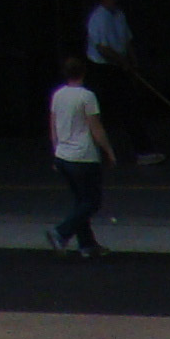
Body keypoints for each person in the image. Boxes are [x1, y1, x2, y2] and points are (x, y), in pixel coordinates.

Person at [81, 0, 167, 167]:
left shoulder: (119, 15)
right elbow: (102, 48)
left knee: (130, 107)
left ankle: (143, 151)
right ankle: (86, 152)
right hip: (101, 69)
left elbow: (127, 40)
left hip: (119, 67)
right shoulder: (98, 18)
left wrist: (132, 62)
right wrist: (122, 61)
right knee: (96, 111)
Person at [45, 55, 114, 258]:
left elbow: (53, 126)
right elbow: (96, 127)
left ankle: (87, 244)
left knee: (80, 201)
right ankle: (61, 232)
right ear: (83, 72)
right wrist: (108, 150)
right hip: (83, 156)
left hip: (63, 154)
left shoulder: (57, 95)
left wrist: (55, 150)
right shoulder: (87, 97)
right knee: (92, 201)